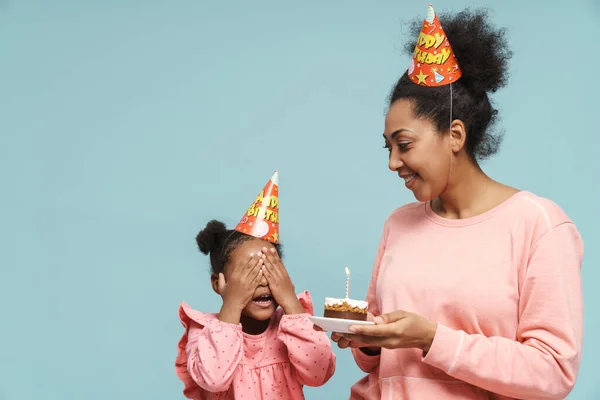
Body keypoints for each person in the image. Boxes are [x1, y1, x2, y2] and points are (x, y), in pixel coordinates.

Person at [331, 5, 584, 400]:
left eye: (405, 145)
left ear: (455, 135)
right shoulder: (398, 224)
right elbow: (379, 361)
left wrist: (433, 339)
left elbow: (552, 372)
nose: (393, 162)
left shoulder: (538, 225)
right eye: (388, 147)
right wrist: (369, 341)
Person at [175, 172, 336, 399]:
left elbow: (318, 373)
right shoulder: (203, 331)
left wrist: (291, 302)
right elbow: (214, 379)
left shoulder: (293, 325)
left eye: (269, 269)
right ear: (218, 283)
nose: (262, 281)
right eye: (249, 272)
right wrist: (232, 304)